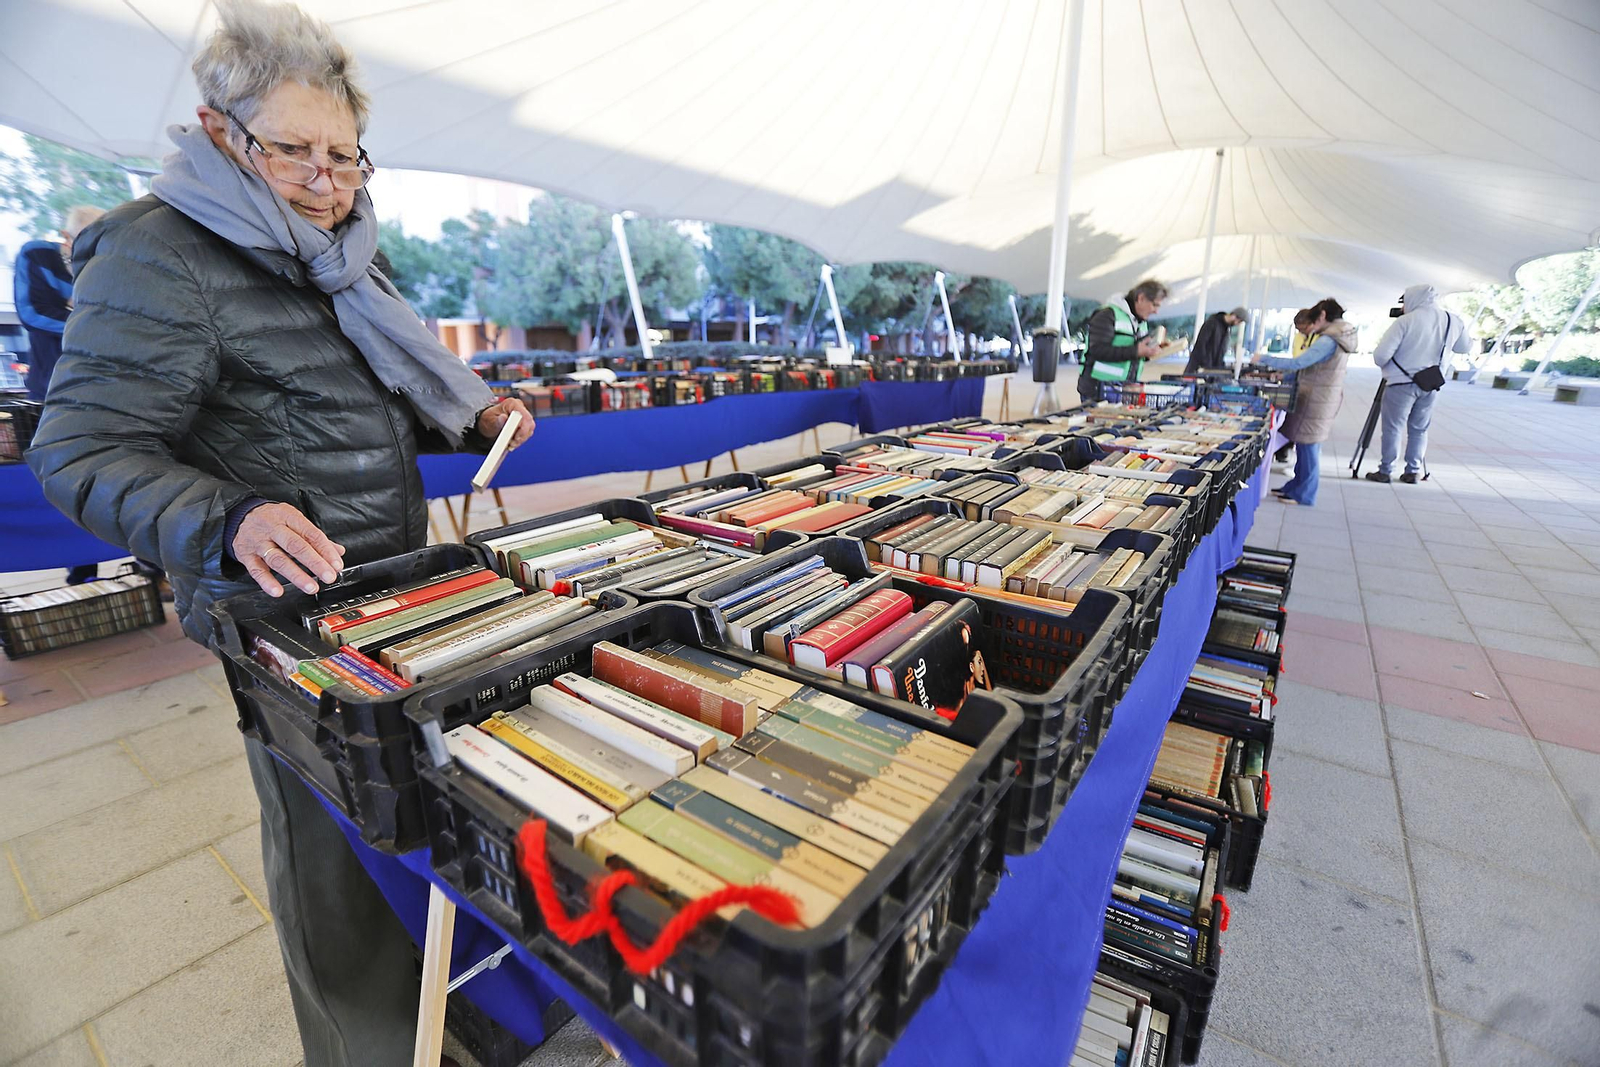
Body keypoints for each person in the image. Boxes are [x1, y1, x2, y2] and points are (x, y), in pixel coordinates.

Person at [26, 3, 533, 1064]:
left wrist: (470, 414)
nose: (323, 180)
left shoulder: (339, 255)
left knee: (409, 821)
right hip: (282, 620)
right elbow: (78, 449)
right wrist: (230, 516)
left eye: (344, 157)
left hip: (389, 590)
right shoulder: (157, 251)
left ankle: (438, 1014)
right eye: (292, 150)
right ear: (221, 133)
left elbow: (353, 403)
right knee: (329, 857)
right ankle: (363, 1046)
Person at [1252, 298, 1355, 506]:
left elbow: (1300, 362)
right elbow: (1309, 367)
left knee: (1309, 445)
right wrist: (1285, 376)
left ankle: (1304, 493)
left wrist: (1263, 358)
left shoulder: (1329, 339)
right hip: (1320, 396)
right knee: (1304, 444)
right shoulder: (1338, 336)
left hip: (1317, 398)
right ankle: (1296, 486)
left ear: (1323, 315)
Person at [1365, 283, 1470, 484]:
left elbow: (1380, 356)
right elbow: (1464, 347)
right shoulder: (1452, 320)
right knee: (1419, 429)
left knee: (1393, 428)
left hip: (1400, 382)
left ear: (1412, 299)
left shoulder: (1405, 321)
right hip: (1431, 383)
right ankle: (1413, 471)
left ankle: (1385, 470)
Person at [12, 206, 104, 403]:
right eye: (86, 241)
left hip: (100, 385)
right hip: (51, 385)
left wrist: (69, 308)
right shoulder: (37, 255)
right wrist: (93, 322)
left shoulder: (109, 264)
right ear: (66, 237)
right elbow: (33, 314)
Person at [1079, 279, 1167, 400]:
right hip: (1098, 389)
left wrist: (1149, 351)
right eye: (1155, 305)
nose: (1156, 311)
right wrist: (1136, 351)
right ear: (1141, 298)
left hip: (1124, 389)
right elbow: (1097, 350)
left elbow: (1134, 355)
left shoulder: (1141, 322)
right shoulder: (1107, 315)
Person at [1272, 308, 1318, 466]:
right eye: (1298, 329)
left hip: (1311, 390)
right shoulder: (1300, 337)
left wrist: (1266, 359)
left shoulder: (1319, 339)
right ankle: (1285, 454)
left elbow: (1300, 362)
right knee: (1294, 427)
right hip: (1300, 382)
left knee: (1304, 436)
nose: (1300, 332)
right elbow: (1296, 359)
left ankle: (1285, 452)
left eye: (1302, 328)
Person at [1183, 306, 1248, 375]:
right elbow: (1201, 344)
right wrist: (1205, 364)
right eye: (1239, 322)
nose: (1237, 324)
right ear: (1234, 316)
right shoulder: (1212, 323)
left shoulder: (1227, 329)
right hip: (1199, 368)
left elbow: (1220, 351)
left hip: (1211, 369)